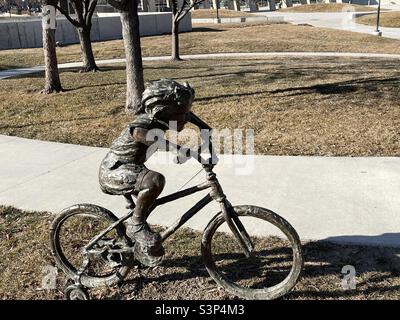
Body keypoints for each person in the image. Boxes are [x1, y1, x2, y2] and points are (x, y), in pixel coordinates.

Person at [99, 78, 211, 267]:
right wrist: (179, 149)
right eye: (182, 113)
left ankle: (134, 242)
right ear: (163, 110)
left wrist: (207, 141)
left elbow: (197, 123)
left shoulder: (170, 115)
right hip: (115, 170)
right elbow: (150, 138)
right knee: (154, 180)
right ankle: (136, 226)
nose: (185, 117)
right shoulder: (142, 125)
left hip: (134, 168)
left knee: (147, 202)